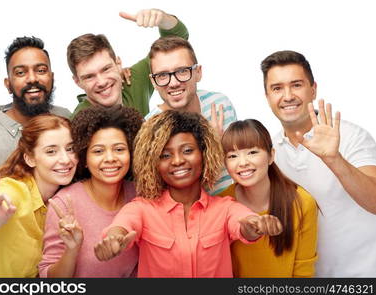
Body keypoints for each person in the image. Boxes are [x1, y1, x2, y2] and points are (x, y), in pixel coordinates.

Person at [94, 111, 282, 278]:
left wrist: (255, 225)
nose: (177, 161)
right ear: (154, 163)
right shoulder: (141, 208)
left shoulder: (225, 207)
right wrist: (114, 239)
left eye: (187, 151)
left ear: (204, 154)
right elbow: (123, 225)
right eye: (165, 155)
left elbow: (243, 223)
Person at [261, 50, 376, 277]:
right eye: (277, 88)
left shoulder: (351, 136)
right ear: (267, 97)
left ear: (313, 89)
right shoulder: (270, 152)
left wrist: (334, 159)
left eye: (296, 85)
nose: (287, 96)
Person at [0, 36, 71, 213]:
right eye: (20, 73)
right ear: (8, 84)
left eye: (41, 70)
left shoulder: (66, 119)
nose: (32, 79)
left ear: (52, 77)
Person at [0, 114, 77, 277]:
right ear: (30, 159)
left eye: (70, 149)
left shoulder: (58, 203)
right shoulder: (13, 190)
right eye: (51, 151)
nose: (66, 159)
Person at [39, 105, 143, 277]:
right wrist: (72, 249)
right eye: (98, 151)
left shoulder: (140, 196)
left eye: (119, 149)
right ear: (85, 158)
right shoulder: (64, 203)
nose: (110, 158)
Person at [220, 119, 318, 277]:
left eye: (252, 152)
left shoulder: (302, 202)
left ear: (271, 156)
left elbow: (303, 271)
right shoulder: (221, 203)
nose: (243, 162)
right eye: (232, 156)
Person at [145, 36, 237, 195]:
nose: (173, 83)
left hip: (233, 204)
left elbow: (239, 163)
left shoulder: (220, 104)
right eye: (162, 75)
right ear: (153, 82)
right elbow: (164, 191)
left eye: (182, 71)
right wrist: (212, 146)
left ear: (198, 72)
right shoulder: (149, 127)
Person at [69, 8, 189, 118]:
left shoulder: (133, 81)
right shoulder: (79, 121)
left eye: (106, 69)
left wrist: (162, 18)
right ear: (77, 82)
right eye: (89, 76)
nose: (102, 82)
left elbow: (178, 39)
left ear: (118, 64)